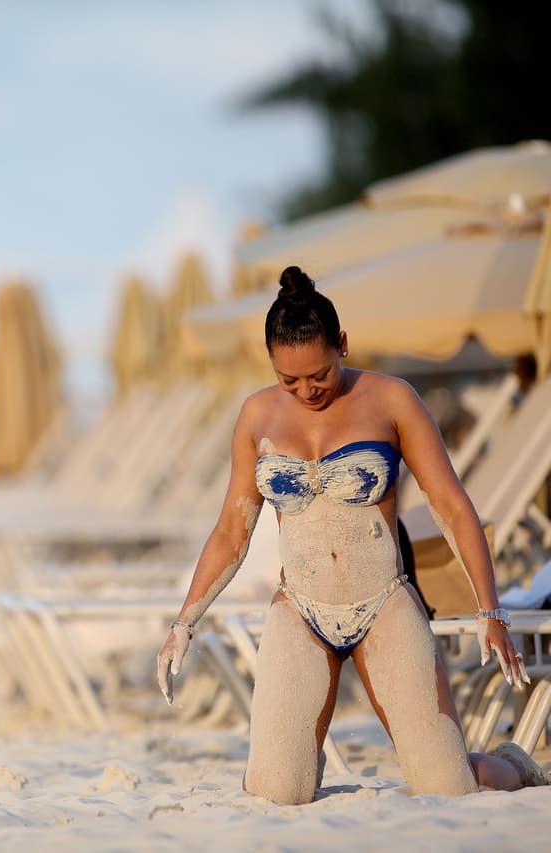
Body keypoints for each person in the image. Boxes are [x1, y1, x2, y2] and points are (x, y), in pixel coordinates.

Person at [155, 265, 549, 804]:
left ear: (342, 343)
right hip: (300, 608)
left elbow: (453, 508)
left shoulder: (391, 400)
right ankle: (293, 752)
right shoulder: (256, 415)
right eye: (288, 380)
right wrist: (184, 623)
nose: (306, 391)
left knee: (449, 787)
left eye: (317, 375)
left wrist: (490, 610)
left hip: (383, 603)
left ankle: (513, 764)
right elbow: (232, 529)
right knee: (275, 793)